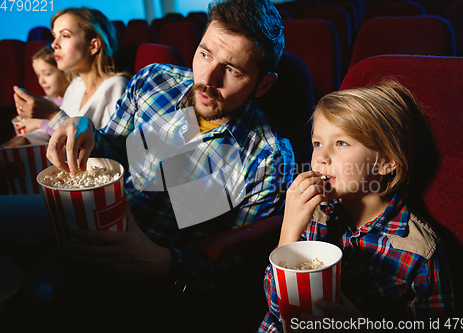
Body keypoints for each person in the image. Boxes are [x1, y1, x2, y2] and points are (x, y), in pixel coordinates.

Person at [1, 0, 293, 331]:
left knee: (36, 304)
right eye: (205, 54)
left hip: (152, 272)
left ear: (264, 85)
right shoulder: (155, 82)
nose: (207, 79)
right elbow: (116, 149)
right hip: (94, 218)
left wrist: (163, 262)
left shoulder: (267, 158)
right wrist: (87, 130)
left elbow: (242, 265)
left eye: (232, 70)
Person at [259, 81, 455, 333]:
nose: (320, 157)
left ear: (385, 162)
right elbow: (277, 310)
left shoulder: (420, 252)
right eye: (317, 143)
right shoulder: (312, 215)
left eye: (341, 143)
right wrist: (289, 234)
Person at [3, 7, 129, 148]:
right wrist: (24, 140)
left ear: (93, 46)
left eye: (65, 35)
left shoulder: (116, 85)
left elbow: (109, 149)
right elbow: (55, 132)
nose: (54, 44)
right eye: (55, 36)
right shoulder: (76, 85)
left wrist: (52, 115)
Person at [19, 45, 71, 134]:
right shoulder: (44, 101)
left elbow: (71, 131)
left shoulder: (72, 101)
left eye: (47, 74)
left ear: (64, 72)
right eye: (38, 75)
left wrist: (39, 123)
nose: (41, 81)